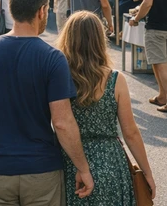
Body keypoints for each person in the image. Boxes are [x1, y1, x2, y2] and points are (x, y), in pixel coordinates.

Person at [0, 0, 94, 204]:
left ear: (11, 9)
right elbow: (62, 122)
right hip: (41, 170)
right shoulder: (52, 58)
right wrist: (83, 168)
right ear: (41, 11)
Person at [57, 11, 156, 204]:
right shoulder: (115, 80)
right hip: (110, 161)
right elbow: (131, 133)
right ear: (99, 40)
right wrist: (147, 172)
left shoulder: (59, 78)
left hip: (70, 161)